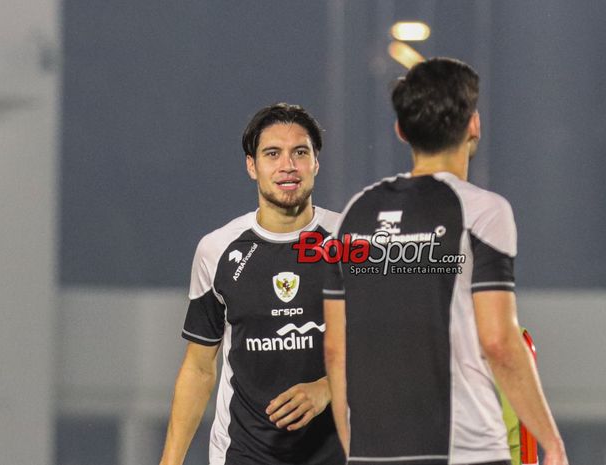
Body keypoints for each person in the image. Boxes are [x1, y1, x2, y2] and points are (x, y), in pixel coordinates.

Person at [323, 58, 569, 465]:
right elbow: (498, 342)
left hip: (374, 453)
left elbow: (335, 349)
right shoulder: (484, 211)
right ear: (474, 124)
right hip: (465, 450)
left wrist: (354, 447)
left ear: (401, 130)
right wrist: (551, 442)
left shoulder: (354, 213)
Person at [159, 103, 344, 465]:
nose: (287, 165)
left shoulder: (351, 243)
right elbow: (198, 368)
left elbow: (386, 351)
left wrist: (327, 388)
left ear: (315, 163)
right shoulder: (216, 250)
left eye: (300, 152)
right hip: (243, 455)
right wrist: (170, 461)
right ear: (251, 166)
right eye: (272, 153)